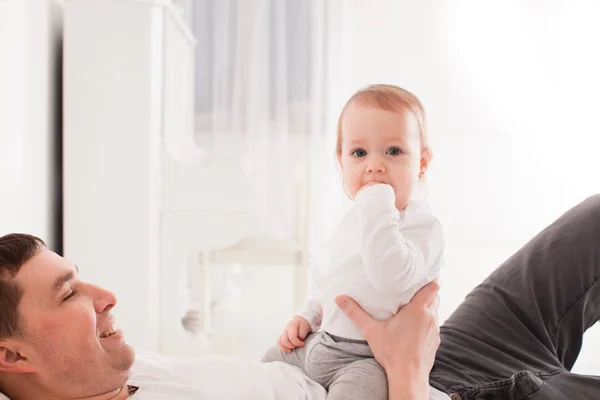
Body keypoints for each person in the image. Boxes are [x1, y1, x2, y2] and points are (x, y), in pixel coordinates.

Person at [0, 194, 599, 399]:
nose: (105, 296)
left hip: (408, 358)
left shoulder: (99, 370)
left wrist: (313, 329)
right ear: (12, 357)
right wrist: (408, 376)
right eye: (69, 293)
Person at [262, 83, 445, 400]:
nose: (374, 165)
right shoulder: (356, 220)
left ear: (423, 163)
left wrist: (377, 206)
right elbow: (336, 282)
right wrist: (308, 315)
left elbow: (390, 278)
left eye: (394, 151)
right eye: (359, 153)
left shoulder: (423, 227)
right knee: (262, 370)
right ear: (341, 161)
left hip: (366, 360)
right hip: (322, 342)